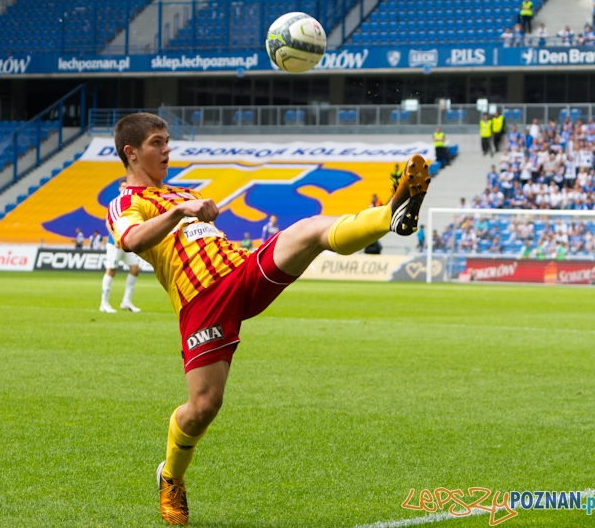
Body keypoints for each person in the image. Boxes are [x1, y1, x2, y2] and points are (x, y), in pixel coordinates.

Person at [105, 113, 430, 526]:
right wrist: (181, 211)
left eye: (168, 140)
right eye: (157, 142)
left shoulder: (181, 191)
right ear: (131, 153)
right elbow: (131, 240)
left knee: (309, 230)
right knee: (204, 406)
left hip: (241, 269)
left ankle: (390, 213)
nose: (167, 149)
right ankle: (171, 476)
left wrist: (190, 208)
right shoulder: (126, 202)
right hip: (204, 301)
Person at [100, 179, 141, 313]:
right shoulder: (115, 203)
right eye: (122, 186)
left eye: (126, 186)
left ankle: (126, 301)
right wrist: (115, 238)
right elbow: (108, 223)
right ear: (119, 188)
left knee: (135, 268)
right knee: (111, 270)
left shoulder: (131, 203)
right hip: (115, 244)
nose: (124, 188)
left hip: (126, 243)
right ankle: (104, 303)